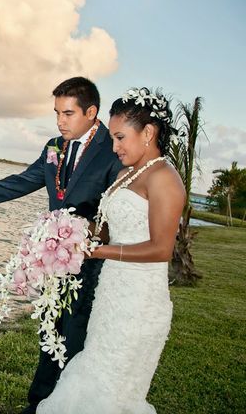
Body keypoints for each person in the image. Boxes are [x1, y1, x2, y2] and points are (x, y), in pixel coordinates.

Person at [0, 77, 122, 413]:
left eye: (68, 113)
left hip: (92, 264)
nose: (60, 121)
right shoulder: (54, 146)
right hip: (54, 260)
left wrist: (92, 232)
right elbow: (23, 181)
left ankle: (68, 403)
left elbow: (118, 205)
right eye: (56, 113)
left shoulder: (111, 147)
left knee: (74, 338)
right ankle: (39, 404)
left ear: (91, 112)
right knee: (49, 333)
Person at [37, 87, 185, 413]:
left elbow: (161, 249)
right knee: (93, 370)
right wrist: (69, 231)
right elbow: (105, 228)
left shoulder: (165, 178)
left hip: (140, 303)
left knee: (114, 388)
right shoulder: (124, 174)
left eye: (120, 138)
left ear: (148, 132)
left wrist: (99, 252)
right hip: (111, 295)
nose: (114, 147)